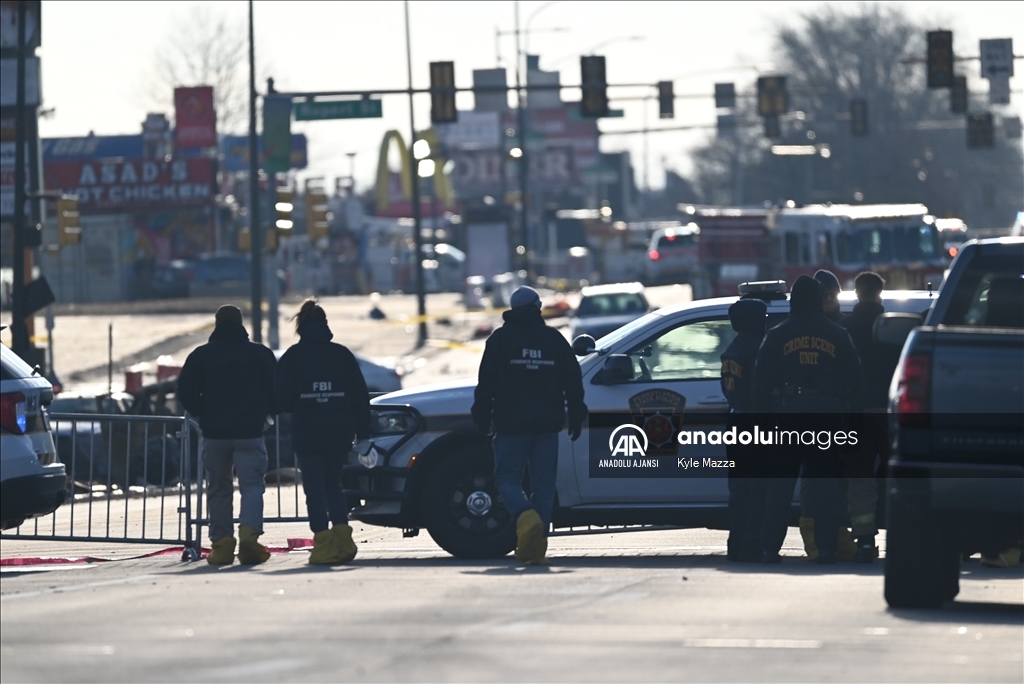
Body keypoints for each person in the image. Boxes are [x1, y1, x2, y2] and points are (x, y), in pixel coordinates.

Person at [471, 286, 587, 565]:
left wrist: (481, 416)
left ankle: (525, 516)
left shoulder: (500, 340)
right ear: (537, 308)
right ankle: (535, 550)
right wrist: (576, 413)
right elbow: (572, 380)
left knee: (507, 480)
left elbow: (486, 384)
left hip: (511, 425)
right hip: (548, 425)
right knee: (544, 487)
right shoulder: (553, 340)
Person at [753, 276, 863, 564]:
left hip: (786, 414)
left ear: (793, 300)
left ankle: (769, 549)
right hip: (826, 415)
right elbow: (855, 379)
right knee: (825, 484)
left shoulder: (777, 334)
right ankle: (826, 549)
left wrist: (762, 423)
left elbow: (760, 383)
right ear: (818, 299)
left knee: (780, 484)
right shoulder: (838, 334)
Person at [178, 305, 279, 565]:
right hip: (250, 432)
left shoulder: (202, 355)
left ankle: (222, 544)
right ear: (241, 323)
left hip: (215, 434)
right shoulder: (260, 354)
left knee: (219, 488)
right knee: (252, 486)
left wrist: (204, 414)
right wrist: (263, 413)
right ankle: (249, 538)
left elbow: (186, 393)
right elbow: (276, 390)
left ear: (216, 324)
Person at [276, 300, 370, 565]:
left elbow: (282, 399)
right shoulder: (341, 355)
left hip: (307, 431)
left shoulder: (293, 357)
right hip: (339, 431)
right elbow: (359, 397)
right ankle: (344, 539)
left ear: (301, 327)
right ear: (325, 325)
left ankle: (324, 544)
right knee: (334, 486)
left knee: (314, 489)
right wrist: (364, 433)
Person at [839, 271, 888, 562]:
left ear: (856, 293)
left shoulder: (844, 329)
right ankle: (903, 535)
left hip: (856, 414)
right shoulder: (897, 327)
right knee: (899, 475)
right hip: (891, 413)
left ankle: (866, 541)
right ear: (880, 293)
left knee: (859, 476)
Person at [720, 298, 768, 562]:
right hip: (753, 424)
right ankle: (751, 545)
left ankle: (736, 544)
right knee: (757, 489)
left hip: (736, 421)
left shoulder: (732, 350)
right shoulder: (755, 350)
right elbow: (761, 391)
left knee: (739, 490)